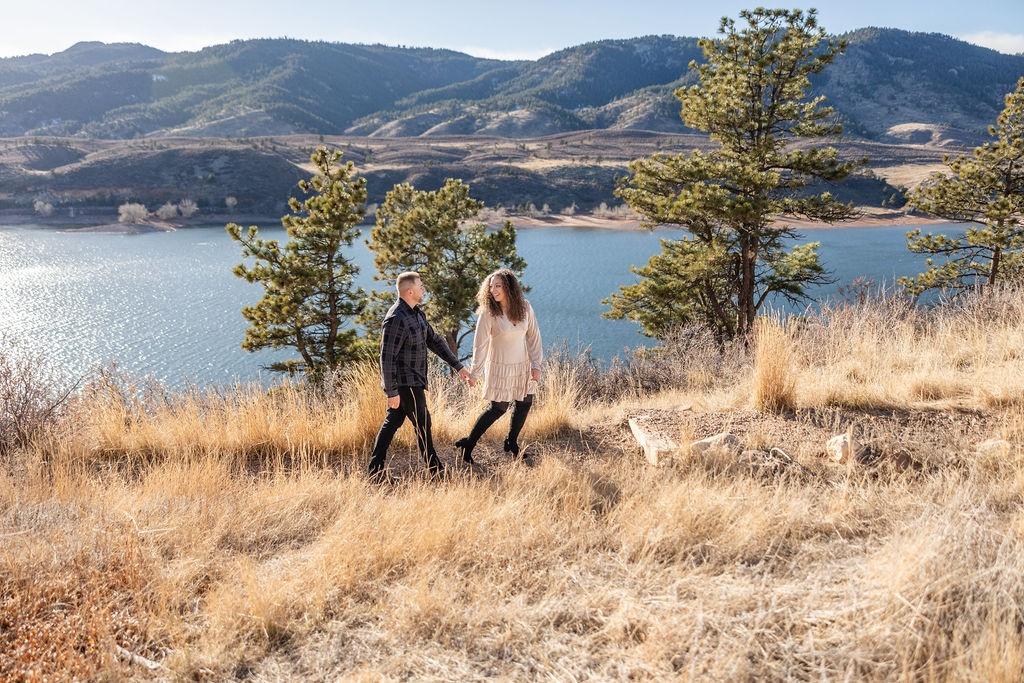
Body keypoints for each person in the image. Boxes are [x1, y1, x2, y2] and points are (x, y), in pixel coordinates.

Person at [369, 271, 472, 481]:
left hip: (415, 380)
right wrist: (391, 391)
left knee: (393, 422)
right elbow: (386, 358)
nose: (423, 290)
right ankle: (436, 471)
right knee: (423, 423)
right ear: (410, 291)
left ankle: (374, 472)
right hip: (406, 383)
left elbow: (434, 341)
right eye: (420, 286)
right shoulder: (396, 318)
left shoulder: (416, 313)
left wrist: (458, 367)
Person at [455, 268, 543, 465]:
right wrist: (475, 372)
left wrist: (536, 365)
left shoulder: (525, 307)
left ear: (509, 287)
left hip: (523, 365)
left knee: (525, 403)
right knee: (498, 409)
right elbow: (480, 344)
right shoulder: (488, 313)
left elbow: (534, 337)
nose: (493, 290)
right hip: (500, 367)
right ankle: (469, 444)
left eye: (498, 286)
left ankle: (511, 443)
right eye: (491, 286)